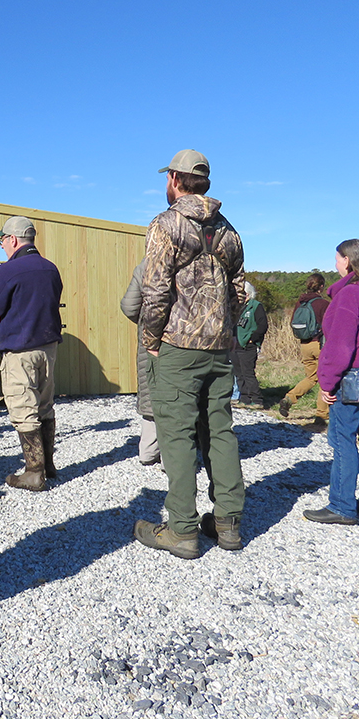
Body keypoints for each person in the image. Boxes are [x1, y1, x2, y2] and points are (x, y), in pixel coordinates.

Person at [133, 149, 247, 558]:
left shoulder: (165, 224)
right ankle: (228, 523)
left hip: (178, 348)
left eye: (167, 178)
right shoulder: (230, 231)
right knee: (220, 431)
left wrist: (151, 340)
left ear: (176, 180)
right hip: (219, 349)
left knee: (176, 436)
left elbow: (156, 290)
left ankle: (182, 529)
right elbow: (238, 292)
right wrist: (224, 331)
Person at [303, 239, 359, 524]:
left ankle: (342, 505)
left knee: (342, 437)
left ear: (347, 260)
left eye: (338, 258)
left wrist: (327, 383)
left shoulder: (349, 295)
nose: (335, 263)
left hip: (352, 377)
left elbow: (339, 346)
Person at [0, 215, 64, 491]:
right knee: (44, 405)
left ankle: (33, 472)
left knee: (23, 409)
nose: (2, 246)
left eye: (2, 240)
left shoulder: (6, 271)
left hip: (20, 350)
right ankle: (49, 465)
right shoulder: (51, 269)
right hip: (48, 348)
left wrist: (2, 314)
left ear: (12, 240)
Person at [120, 259, 160, 465]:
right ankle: (175, 459)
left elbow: (129, 306)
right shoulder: (200, 260)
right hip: (190, 342)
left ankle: (148, 452)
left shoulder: (146, 266)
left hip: (153, 340)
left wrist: (148, 322)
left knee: (151, 390)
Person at [278, 273, 330, 423]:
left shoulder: (300, 302)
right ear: (321, 287)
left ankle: (289, 398)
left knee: (311, 377)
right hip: (320, 344)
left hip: (304, 345)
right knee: (324, 379)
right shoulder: (323, 304)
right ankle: (322, 415)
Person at [232, 282, 267, 408]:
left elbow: (263, 325)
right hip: (235, 345)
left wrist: (252, 339)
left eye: (244, 294)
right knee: (238, 373)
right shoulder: (235, 307)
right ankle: (244, 398)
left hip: (248, 345)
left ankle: (257, 400)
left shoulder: (256, 306)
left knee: (248, 373)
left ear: (249, 294)